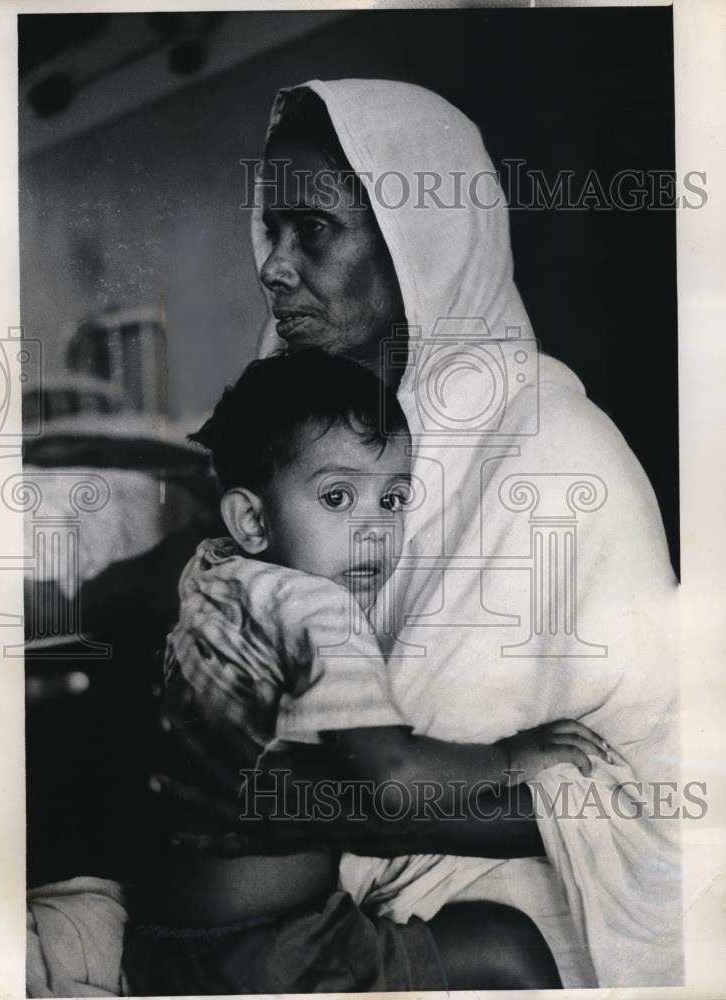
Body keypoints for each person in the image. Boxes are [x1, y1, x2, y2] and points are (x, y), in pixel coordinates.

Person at [164, 80, 681, 988]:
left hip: (528, 902)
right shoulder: (303, 441)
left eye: (312, 230)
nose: (273, 267)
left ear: (423, 242)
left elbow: (654, 807)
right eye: (269, 231)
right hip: (314, 915)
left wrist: (310, 801)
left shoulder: (556, 454)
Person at [126, 347, 627, 994]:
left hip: (165, 945)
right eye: (338, 497)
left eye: (393, 499)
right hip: (277, 951)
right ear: (251, 519)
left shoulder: (212, 575)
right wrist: (513, 757)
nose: (375, 532)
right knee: (508, 946)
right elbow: (393, 780)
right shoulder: (319, 608)